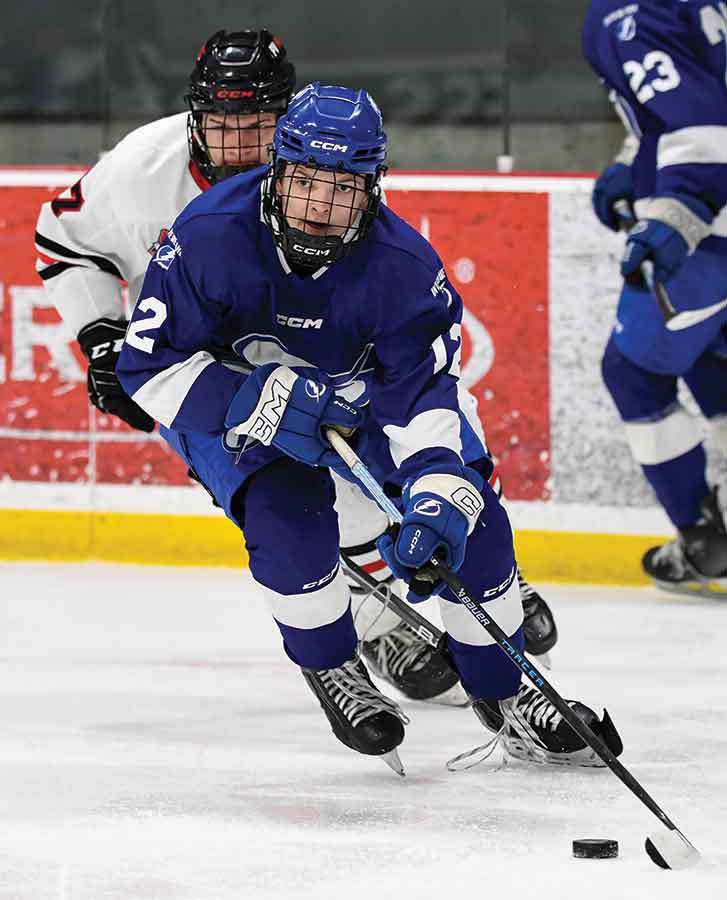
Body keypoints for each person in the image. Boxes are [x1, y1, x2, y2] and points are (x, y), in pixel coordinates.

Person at [35, 30, 558, 700]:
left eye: (261, 125)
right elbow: (61, 241)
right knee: (282, 500)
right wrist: (104, 336)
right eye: (224, 125)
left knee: (396, 448)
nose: (242, 144)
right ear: (194, 117)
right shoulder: (141, 170)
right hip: (200, 363)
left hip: (304, 351)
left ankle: (477, 569)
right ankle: (373, 622)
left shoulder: (315, 184)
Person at [116, 82, 622, 772]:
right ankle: (331, 666)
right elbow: (146, 367)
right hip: (228, 409)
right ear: (276, 171)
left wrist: (438, 484)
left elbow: (420, 396)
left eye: (343, 187)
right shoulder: (206, 235)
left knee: (467, 523)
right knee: (285, 518)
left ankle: (505, 696)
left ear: (373, 186)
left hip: (358, 402)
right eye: (305, 183)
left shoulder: (404, 268)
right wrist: (247, 403)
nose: (321, 208)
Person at [583, 1, 727, 596]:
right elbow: (692, 94)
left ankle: (703, 539)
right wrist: (633, 159)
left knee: (634, 372)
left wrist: (679, 209)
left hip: (714, 229)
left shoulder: (628, 11)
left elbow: (701, 129)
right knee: (709, 357)